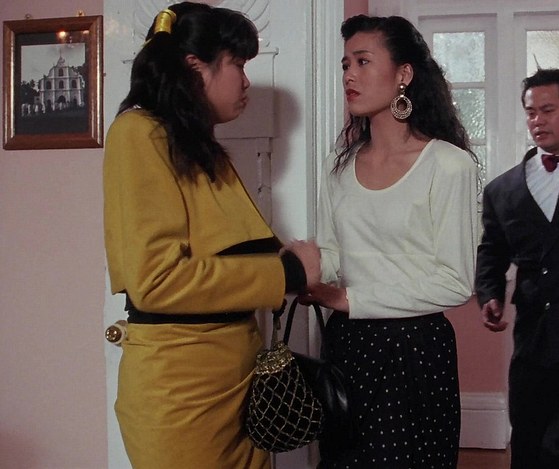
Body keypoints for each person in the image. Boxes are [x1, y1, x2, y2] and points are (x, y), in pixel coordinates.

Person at [102, 3, 320, 467]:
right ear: (194, 66)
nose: (245, 81)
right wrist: (285, 274)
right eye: (237, 63)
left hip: (237, 384)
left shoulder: (196, 145)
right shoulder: (138, 134)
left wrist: (290, 260)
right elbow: (156, 280)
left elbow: (228, 245)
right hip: (182, 398)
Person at [300, 14, 480, 469]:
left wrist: (348, 298)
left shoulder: (448, 165)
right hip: (346, 344)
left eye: (363, 61)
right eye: (345, 64)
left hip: (414, 351)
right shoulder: (337, 167)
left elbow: (455, 282)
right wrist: (301, 270)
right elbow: (334, 256)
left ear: (404, 74)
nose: (349, 75)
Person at [475, 68, 559, 468]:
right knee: (528, 445)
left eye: (548, 110)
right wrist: (490, 293)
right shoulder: (502, 190)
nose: (537, 121)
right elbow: (492, 250)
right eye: (531, 112)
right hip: (532, 339)